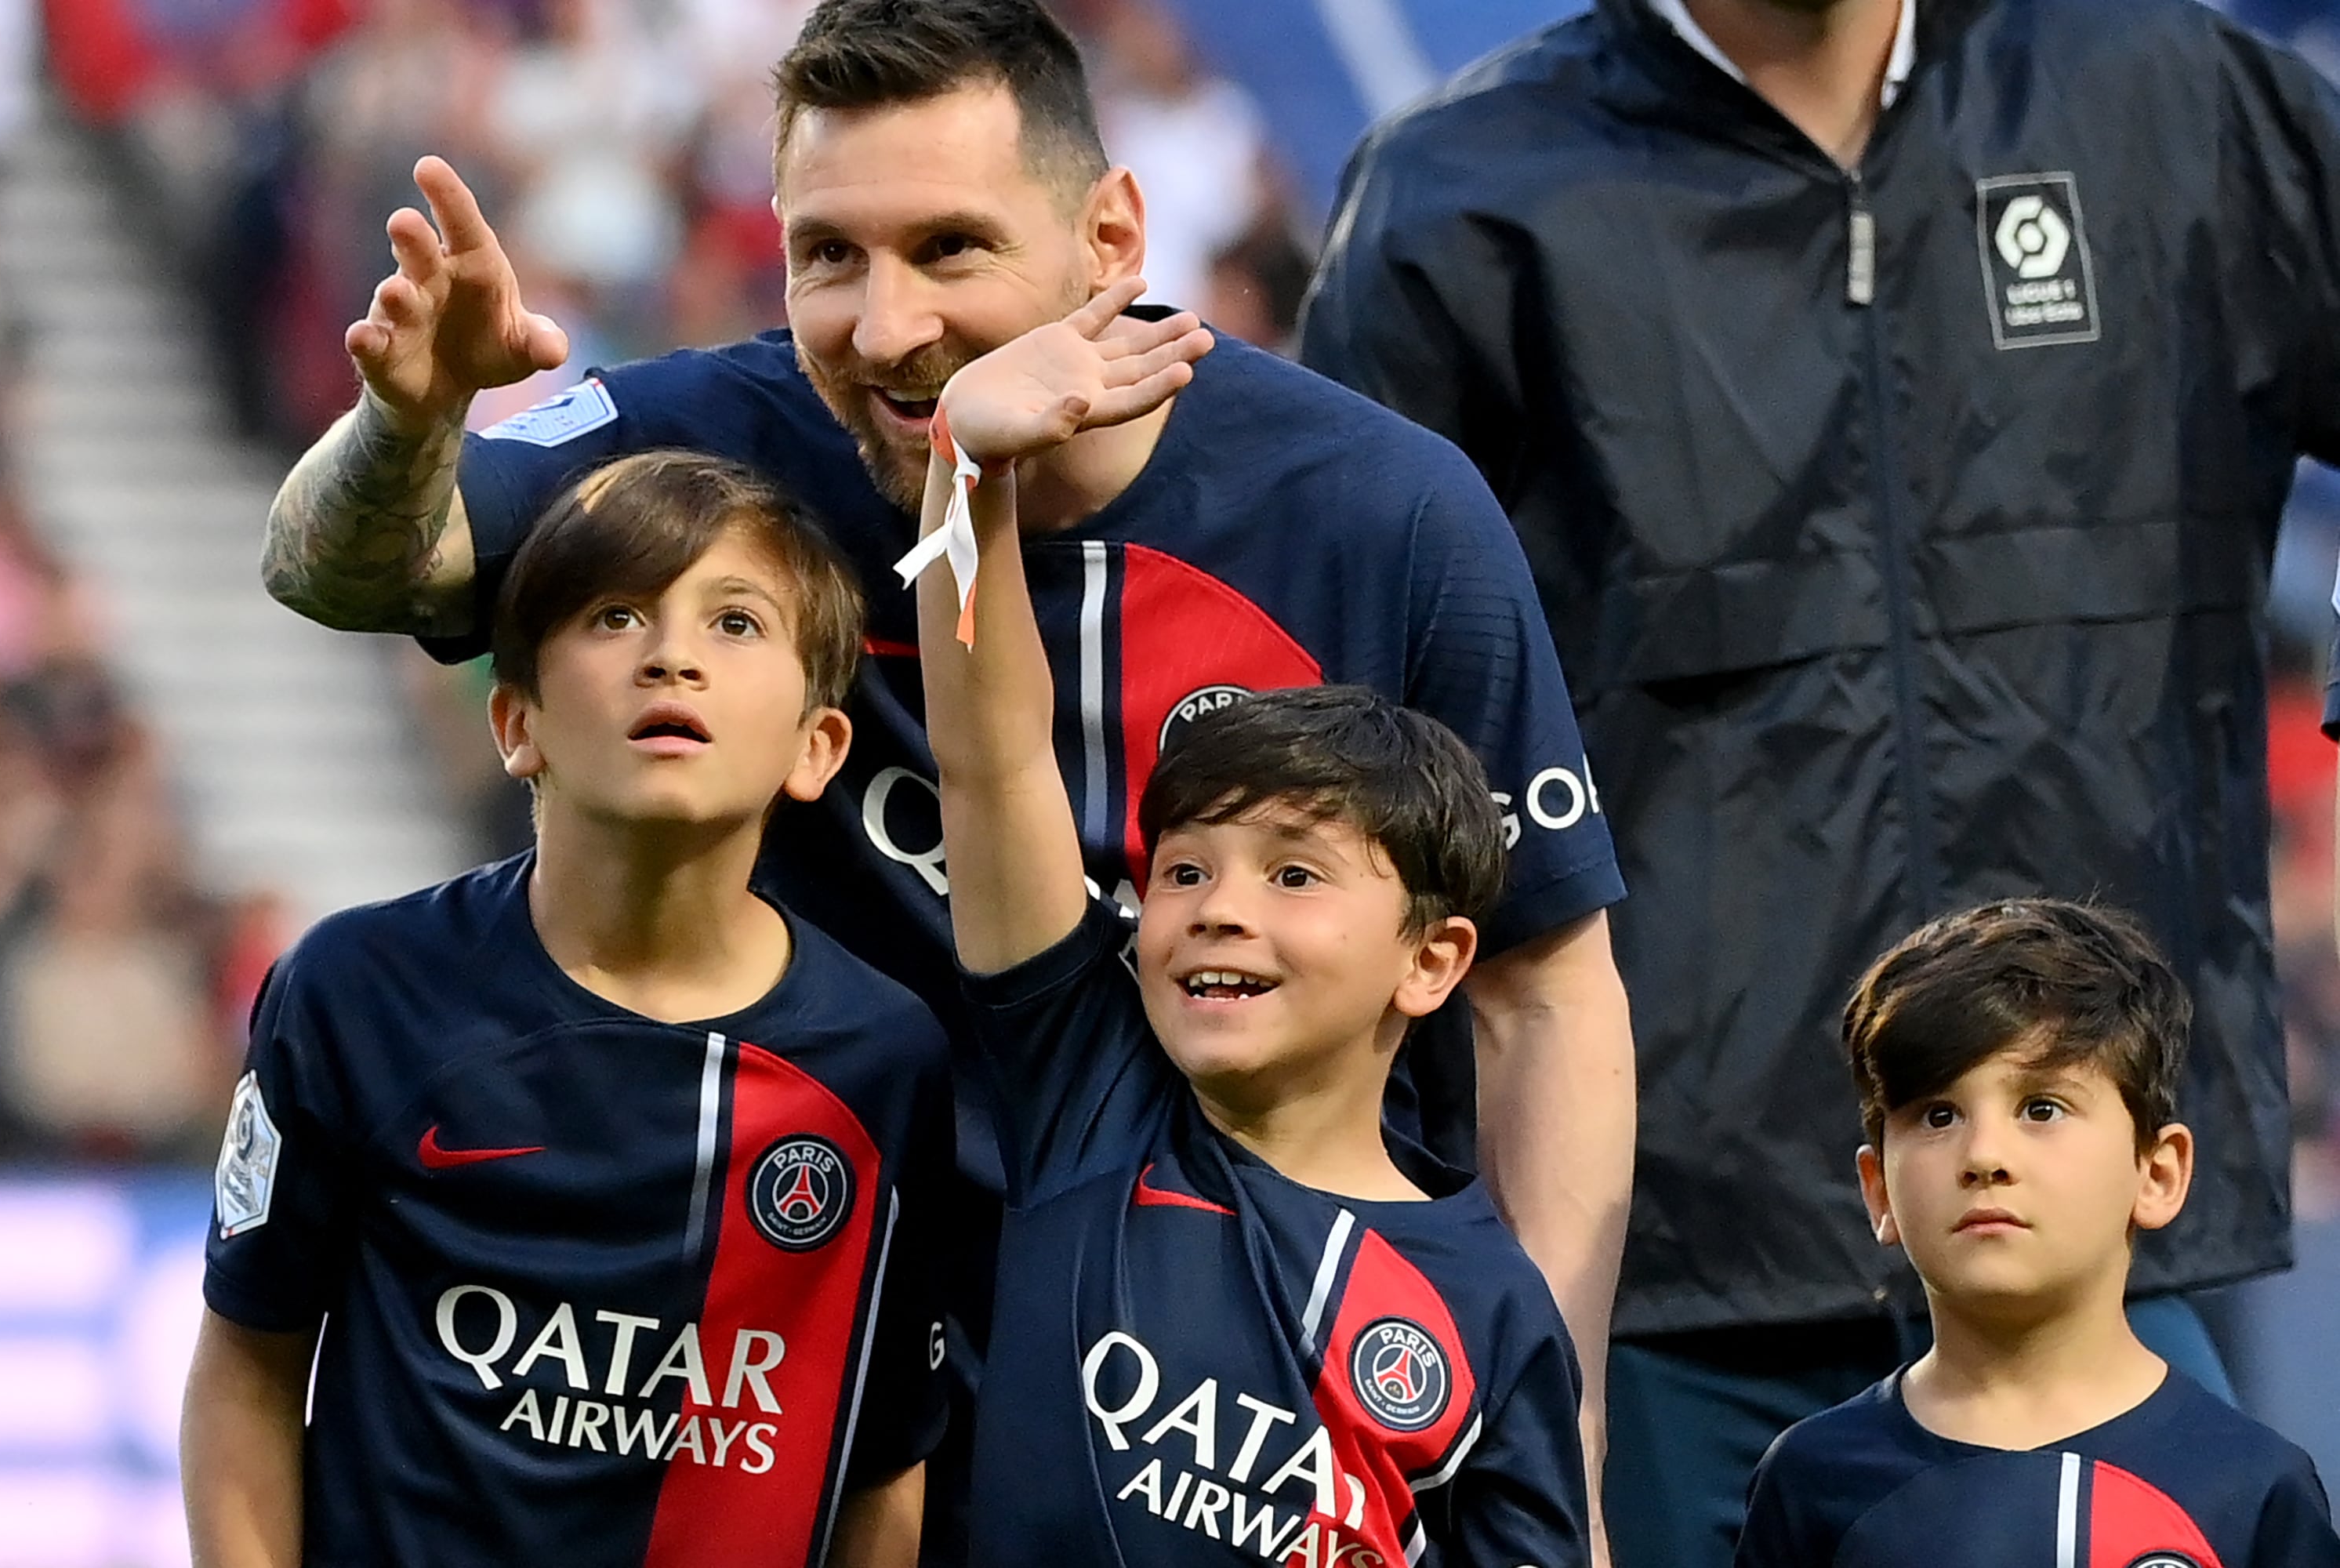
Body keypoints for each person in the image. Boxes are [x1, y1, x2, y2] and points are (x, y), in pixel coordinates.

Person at [254, 0, 1635, 1546]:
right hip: (791, 1329)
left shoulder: (1384, 515)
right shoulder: (708, 446)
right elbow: (344, 566)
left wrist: (1552, 1421)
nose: (885, 326)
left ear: (1112, 236)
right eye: (829, 255)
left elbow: (1542, 989)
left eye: (951, 250)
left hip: (1231, 1402)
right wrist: (406, 419)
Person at [1299, 0, 2337, 1558]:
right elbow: (1342, 733)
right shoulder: (1464, 191)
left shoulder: (2176, 102)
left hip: (2112, 1240)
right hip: (1665, 1276)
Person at [916, 283, 1590, 1566]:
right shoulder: (1085, 1099)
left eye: (1293, 877)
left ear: (1432, 959)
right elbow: (993, 758)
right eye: (1184, 873)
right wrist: (963, 471)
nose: (1221, 909)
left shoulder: (1494, 1307)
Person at [180, 452, 952, 1567]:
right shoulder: (359, 990)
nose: (672, 657)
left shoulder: (884, 1060)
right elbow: (247, 1371)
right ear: (516, 721)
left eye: (735, 624)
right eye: (616, 615)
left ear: (816, 747)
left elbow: (878, 1467)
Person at [1736, 900, 2340, 1567]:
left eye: (2042, 1108)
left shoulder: (2254, 1489)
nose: (1984, 1155)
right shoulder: (1811, 1482)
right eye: (1939, 1116)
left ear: (2158, 1173)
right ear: (1878, 1188)